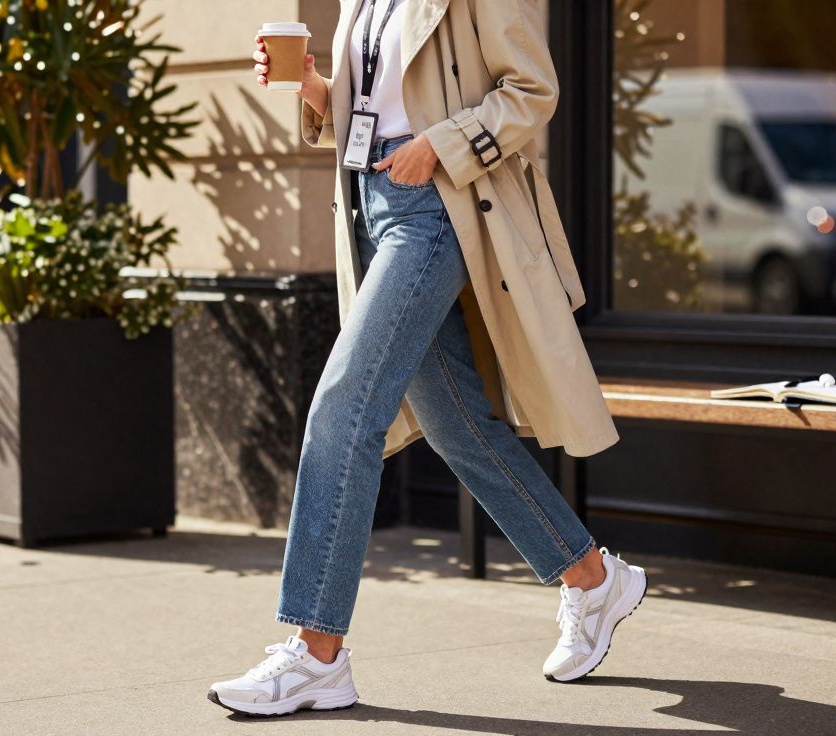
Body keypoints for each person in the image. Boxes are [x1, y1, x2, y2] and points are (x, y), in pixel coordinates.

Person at [208, 0, 646, 717]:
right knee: (456, 426)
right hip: (368, 205)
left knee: (345, 410)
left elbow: (533, 90)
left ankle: (317, 654)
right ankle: (593, 578)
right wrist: (317, 89)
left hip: (438, 209)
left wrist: (442, 143)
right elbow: (375, 111)